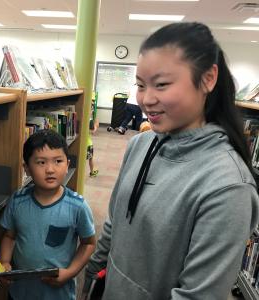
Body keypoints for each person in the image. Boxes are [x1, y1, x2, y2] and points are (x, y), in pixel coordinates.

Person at [82, 22, 259, 300]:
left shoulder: (229, 186)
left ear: (208, 78)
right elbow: (115, 223)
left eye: (162, 84)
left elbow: (199, 295)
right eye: (140, 85)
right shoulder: (140, 144)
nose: (146, 99)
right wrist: (91, 279)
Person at [0, 129, 96, 300]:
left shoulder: (77, 206)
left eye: (58, 161)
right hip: (20, 291)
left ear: (67, 165)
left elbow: (88, 243)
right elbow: (10, 236)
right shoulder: (17, 200)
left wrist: (70, 272)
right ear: (27, 169)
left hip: (58, 293)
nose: (50, 169)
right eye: (41, 163)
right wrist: (5, 261)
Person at [87, 103, 99, 177]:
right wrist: (96, 125)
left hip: (82, 143)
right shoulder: (90, 120)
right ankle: (92, 172)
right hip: (88, 144)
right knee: (90, 159)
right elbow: (92, 131)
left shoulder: (82, 118)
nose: (91, 111)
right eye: (91, 109)